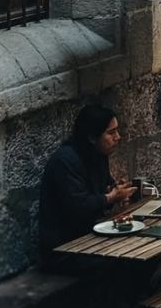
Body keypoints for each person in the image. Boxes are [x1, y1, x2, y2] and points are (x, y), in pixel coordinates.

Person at [39, 105, 136, 258]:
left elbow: (102, 190)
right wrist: (111, 197)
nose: (118, 137)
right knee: (127, 261)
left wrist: (117, 191)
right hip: (65, 247)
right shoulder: (65, 161)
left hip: (90, 234)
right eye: (111, 133)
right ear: (92, 137)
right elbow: (79, 205)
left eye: (117, 131)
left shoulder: (98, 154)